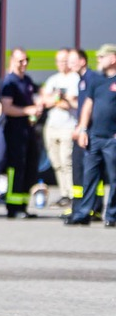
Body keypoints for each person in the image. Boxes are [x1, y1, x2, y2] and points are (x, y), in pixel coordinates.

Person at [70, 44, 116, 227]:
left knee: (114, 178)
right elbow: (87, 106)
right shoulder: (96, 81)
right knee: (89, 177)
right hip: (94, 137)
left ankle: (111, 215)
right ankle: (83, 213)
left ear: (113, 58)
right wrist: (82, 129)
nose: (98, 60)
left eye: (101, 57)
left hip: (112, 139)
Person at [0, 48, 44, 219]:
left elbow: (32, 102)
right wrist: (28, 110)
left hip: (28, 130)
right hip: (14, 131)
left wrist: (35, 110)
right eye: (20, 61)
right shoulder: (10, 82)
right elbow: (7, 108)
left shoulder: (27, 81)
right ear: (12, 61)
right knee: (16, 168)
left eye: (26, 60)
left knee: (29, 168)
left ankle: (23, 206)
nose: (24, 64)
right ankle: (12, 207)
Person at [66, 49, 105, 225]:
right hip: (85, 130)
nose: (69, 64)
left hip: (88, 133)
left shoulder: (92, 79)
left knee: (83, 173)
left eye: (72, 60)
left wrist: (83, 129)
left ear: (83, 61)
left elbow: (94, 107)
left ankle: (85, 209)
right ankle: (86, 208)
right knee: (85, 173)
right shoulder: (83, 80)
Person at [40, 49, 79, 207]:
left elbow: (71, 103)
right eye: (59, 60)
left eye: (64, 60)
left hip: (67, 127)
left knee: (66, 161)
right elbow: (45, 102)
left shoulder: (75, 79)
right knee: (56, 162)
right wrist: (59, 100)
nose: (61, 64)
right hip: (51, 127)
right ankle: (64, 194)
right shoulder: (53, 79)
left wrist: (57, 100)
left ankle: (71, 194)